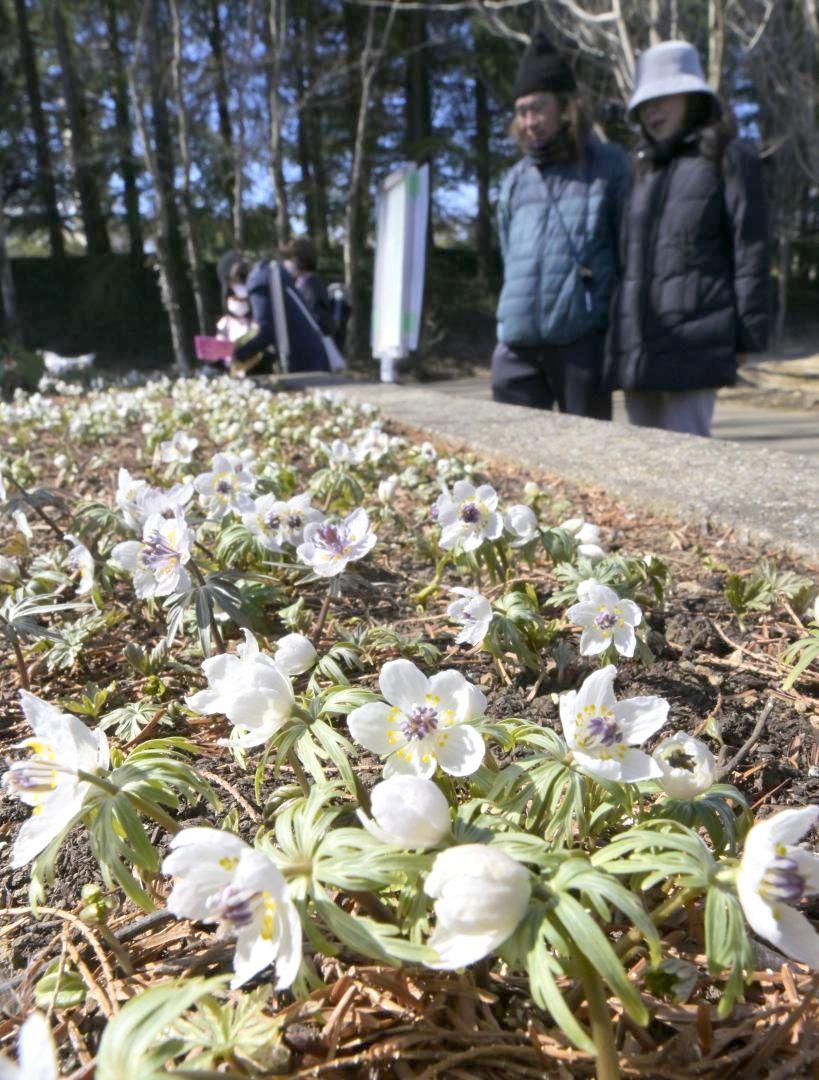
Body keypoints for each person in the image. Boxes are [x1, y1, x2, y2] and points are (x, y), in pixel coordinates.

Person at [605, 40, 769, 437]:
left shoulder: (730, 156)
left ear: (693, 97)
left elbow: (751, 248)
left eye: (664, 98)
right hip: (639, 349)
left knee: (689, 468)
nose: (653, 110)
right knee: (641, 470)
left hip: (696, 346)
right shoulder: (642, 172)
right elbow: (626, 264)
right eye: (646, 103)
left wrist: (746, 335)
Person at [492, 31, 630, 420]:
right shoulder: (515, 179)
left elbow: (626, 252)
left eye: (538, 108)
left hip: (579, 343)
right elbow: (507, 251)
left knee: (587, 465)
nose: (529, 121)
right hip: (517, 345)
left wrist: (600, 319)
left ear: (566, 107)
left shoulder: (609, 168)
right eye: (521, 111)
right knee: (514, 463)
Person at [232, 255, 332, 376]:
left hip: (300, 358)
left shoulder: (258, 284)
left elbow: (266, 331)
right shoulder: (273, 274)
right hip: (313, 352)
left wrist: (237, 354)